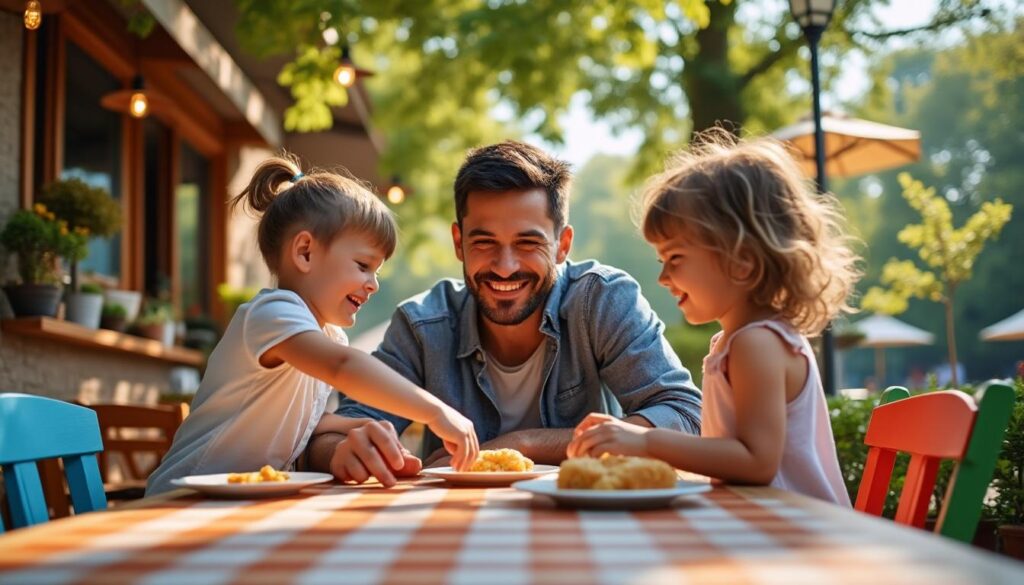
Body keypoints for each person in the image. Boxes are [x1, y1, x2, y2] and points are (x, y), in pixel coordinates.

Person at [308, 140, 702, 487]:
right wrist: (343, 451)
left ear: (562, 245)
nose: (504, 266)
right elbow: (332, 432)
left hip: (582, 524)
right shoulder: (422, 325)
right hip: (452, 530)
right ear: (459, 243)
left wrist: (519, 444)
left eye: (527, 242)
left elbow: (684, 414)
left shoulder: (602, 301)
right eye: (484, 242)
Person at [146, 155, 478, 496]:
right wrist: (436, 413)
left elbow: (302, 422)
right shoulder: (273, 313)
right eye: (363, 265)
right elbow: (343, 367)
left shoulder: (326, 336)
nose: (373, 284)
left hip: (237, 504)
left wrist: (361, 425)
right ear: (305, 252)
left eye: (376, 272)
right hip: (180, 498)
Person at [567, 130, 861, 505]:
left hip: (798, 536)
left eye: (675, 259)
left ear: (741, 261)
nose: (663, 278)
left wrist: (645, 440)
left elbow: (756, 463)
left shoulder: (757, 343)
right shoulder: (738, 341)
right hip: (769, 525)